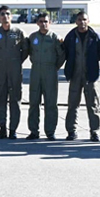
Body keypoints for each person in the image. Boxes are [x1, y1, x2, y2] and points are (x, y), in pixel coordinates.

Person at [62, 11, 100, 141]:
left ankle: (94, 131)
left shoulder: (95, 36)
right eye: (79, 20)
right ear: (76, 21)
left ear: (88, 21)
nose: (82, 22)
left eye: (84, 19)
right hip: (75, 74)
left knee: (93, 104)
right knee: (73, 104)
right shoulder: (70, 36)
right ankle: (71, 131)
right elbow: (66, 52)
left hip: (90, 75)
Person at [0, 6, 28, 139]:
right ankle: (2, 127)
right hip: (0, 70)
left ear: (11, 16)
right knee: (0, 99)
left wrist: (16, 62)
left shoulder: (19, 32)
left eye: (7, 14)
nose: (5, 16)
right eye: (2, 14)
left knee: (15, 100)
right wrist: (1, 61)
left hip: (15, 71)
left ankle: (13, 129)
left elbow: (25, 50)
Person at [26, 12, 66, 140]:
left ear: (50, 22)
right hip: (36, 71)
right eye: (41, 21)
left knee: (50, 103)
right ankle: (33, 131)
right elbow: (29, 53)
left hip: (50, 72)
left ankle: (50, 131)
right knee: (34, 102)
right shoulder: (32, 37)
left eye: (46, 21)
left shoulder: (55, 38)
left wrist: (54, 67)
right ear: (37, 23)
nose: (43, 24)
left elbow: (62, 56)